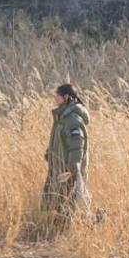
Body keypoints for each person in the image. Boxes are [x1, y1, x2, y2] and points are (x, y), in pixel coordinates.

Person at [42, 83, 91, 228]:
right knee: (59, 201)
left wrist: (73, 166)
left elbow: (77, 144)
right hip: (60, 165)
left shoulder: (71, 118)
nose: (54, 97)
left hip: (68, 169)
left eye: (57, 94)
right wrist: (49, 152)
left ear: (66, 97)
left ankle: (88, 224)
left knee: (68, 202)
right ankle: (62, 228)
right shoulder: (63, 116)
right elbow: (59, 139)